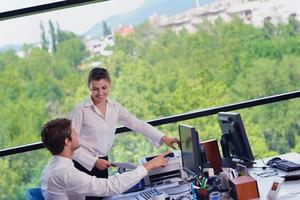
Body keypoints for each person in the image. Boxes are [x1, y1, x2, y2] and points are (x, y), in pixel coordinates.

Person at [71, 67, 181, 180]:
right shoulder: (80, 110)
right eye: (95, 89)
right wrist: (93, 161)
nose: (100, 93)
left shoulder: (114, 107)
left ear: (109, 85)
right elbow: (70, 145)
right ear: (89, 87)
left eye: (104, 88)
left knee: (102, 196)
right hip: (82, 164)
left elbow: (136, 123)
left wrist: (164, 138)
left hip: (103, 161)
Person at [40, 118, 169, 200]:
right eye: (75, 132)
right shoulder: (64, 173)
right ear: (67, 141)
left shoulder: (55, 166)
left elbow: (98, 185)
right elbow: (108, 188)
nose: (78, 134)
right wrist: (149, 166)